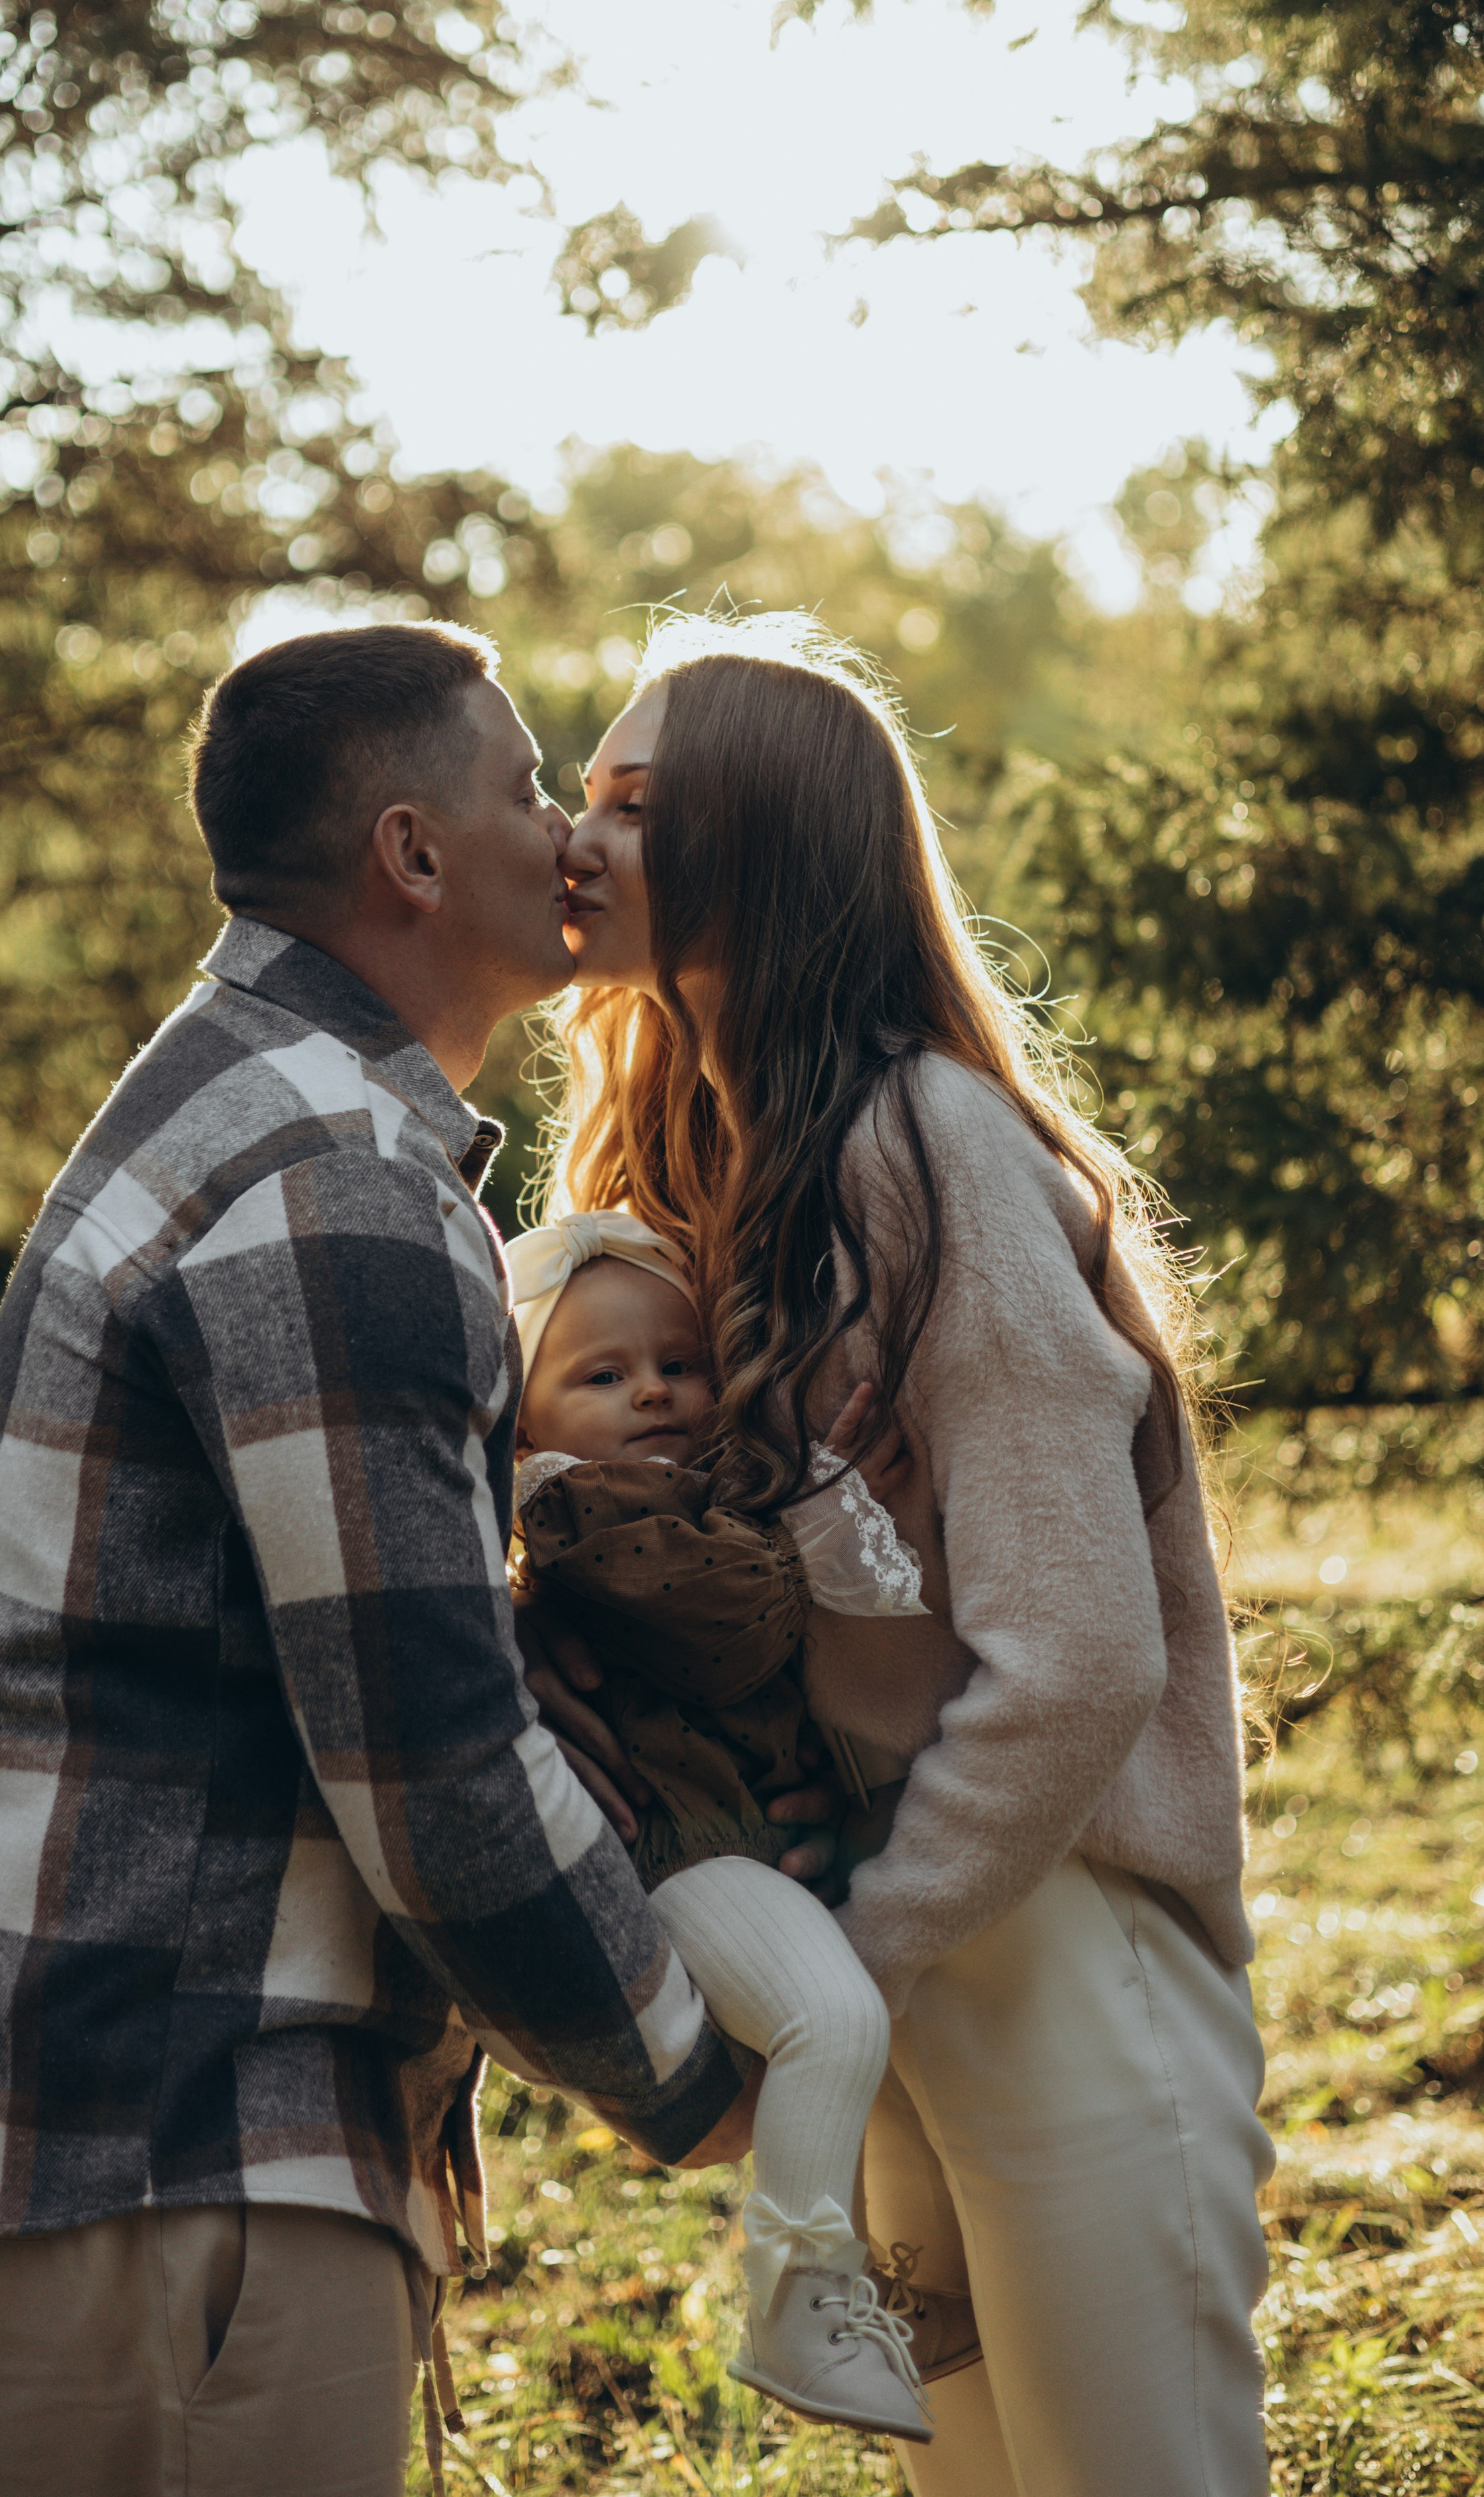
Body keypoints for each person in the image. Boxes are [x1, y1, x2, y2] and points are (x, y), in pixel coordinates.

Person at [0, 622, 776, 2497]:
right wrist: (693, 2069)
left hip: (148, 2146)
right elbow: (431, 1759)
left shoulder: (260, 1106)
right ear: (413, 855)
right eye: (526, 788)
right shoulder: (331, 1173)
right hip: (182, 2146)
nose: (563, 837)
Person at [531, 610, 1276, 2497]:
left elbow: (1084, 1653)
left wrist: (862, 1952)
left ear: (764, 843)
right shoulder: (684, 1168)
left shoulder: (928, 1142)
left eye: (635, 800)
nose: (580, 836)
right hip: (887, 1948)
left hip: (1051, 1933)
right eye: (585, 792)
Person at [506, 1211, 943, 2440]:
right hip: (678, 1844)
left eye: (679, 1363)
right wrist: (811, 1501)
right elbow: (737, 1624)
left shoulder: (685, 1489)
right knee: (832, 2013)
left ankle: (867, 2275)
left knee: (860, 2024)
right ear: (526, 1419)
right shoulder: (587, 1513)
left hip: (741, 1829)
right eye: (601, 1374)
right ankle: (798, 2302)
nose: (652, 1390)